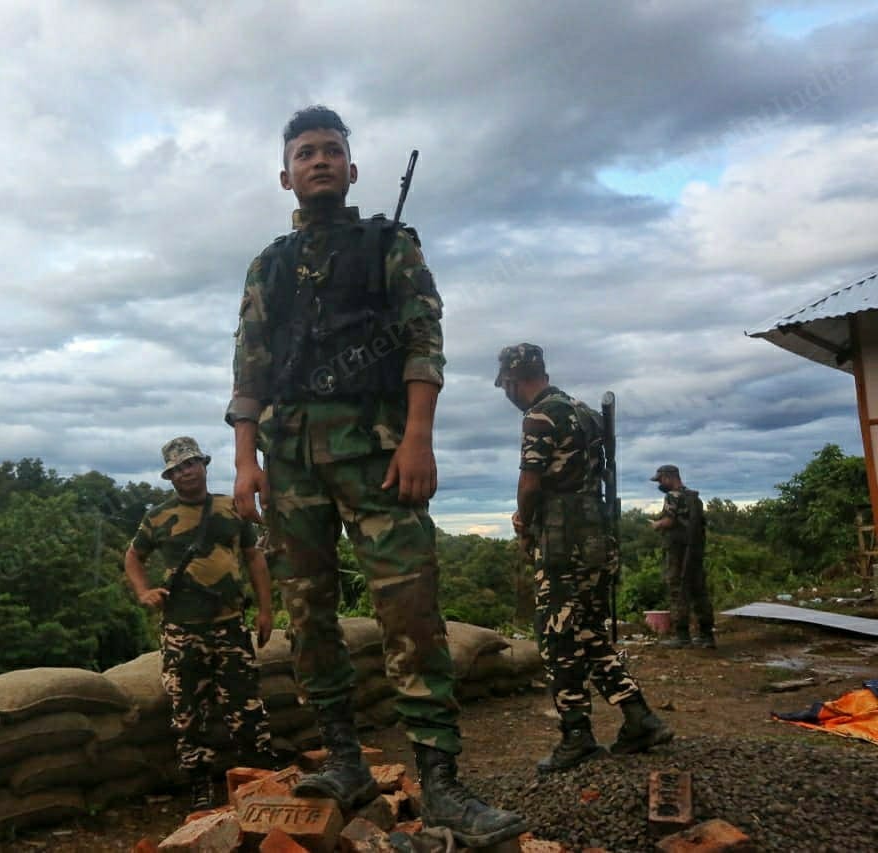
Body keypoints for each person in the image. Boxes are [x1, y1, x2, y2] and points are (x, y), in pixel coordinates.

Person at [225, 105, 527, 848]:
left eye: (332, 151)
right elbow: (249, 366)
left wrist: (418, 438)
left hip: (379, 450)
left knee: (411, 609)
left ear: (352, 169)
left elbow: (425, 338)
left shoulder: (389, 245)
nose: (319, 161)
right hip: (291, 459)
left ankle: (443, 781)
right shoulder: (267, 265)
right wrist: (243, 460)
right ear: (285, 174)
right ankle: (347, 762)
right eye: (305, 153)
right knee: (307, 613)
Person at [496, 343, 674, 772]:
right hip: (598, 537)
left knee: (557, 639)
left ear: (516, 381)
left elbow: (531, 482)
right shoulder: (583, 411)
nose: (507, 394)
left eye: (506, 386)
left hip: (562, 543)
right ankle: (640, 717)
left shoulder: (538, 416)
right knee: (591, 634)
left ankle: (577, 736)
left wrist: (524, 522)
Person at [123, 436, 280, 810]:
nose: (185, 473)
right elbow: (133, 557)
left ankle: (259, 775)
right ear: (169, 477)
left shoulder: (231, 508)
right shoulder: (158, 517)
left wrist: (265, 609)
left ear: (203, 465)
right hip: (182, 631)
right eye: (176, 469)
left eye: (190, 464)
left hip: (230, 626)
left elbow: (254, 559)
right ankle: (200, 783)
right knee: (188, 711)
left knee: (246, 706)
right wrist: (144, 592)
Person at [650, 464, 715, 648]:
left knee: (677, 590)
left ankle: (682, 635)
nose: (660, 483)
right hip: (695, 550)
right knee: (699, 590)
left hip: (678, 552)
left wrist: (657, 525)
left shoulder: (672, 496)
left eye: (661, 479)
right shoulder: (693, 497)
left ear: (670, 477)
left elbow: (670, 521)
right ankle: (706, 635)